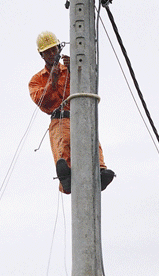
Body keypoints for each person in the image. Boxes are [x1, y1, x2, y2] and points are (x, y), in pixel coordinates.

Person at [29, 31, 115, 194]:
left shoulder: (71, 68)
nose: (52, 54)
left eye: (54, 50)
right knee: (65, 141)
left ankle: (101, 170)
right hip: (59, 118)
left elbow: (87, 83)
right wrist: (52, 83)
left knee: (92, 140)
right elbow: (41, 101)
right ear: (41, 55)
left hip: (80, 114)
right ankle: (66, 177)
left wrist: (75, 68)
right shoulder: (37, 80)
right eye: (47, 51)